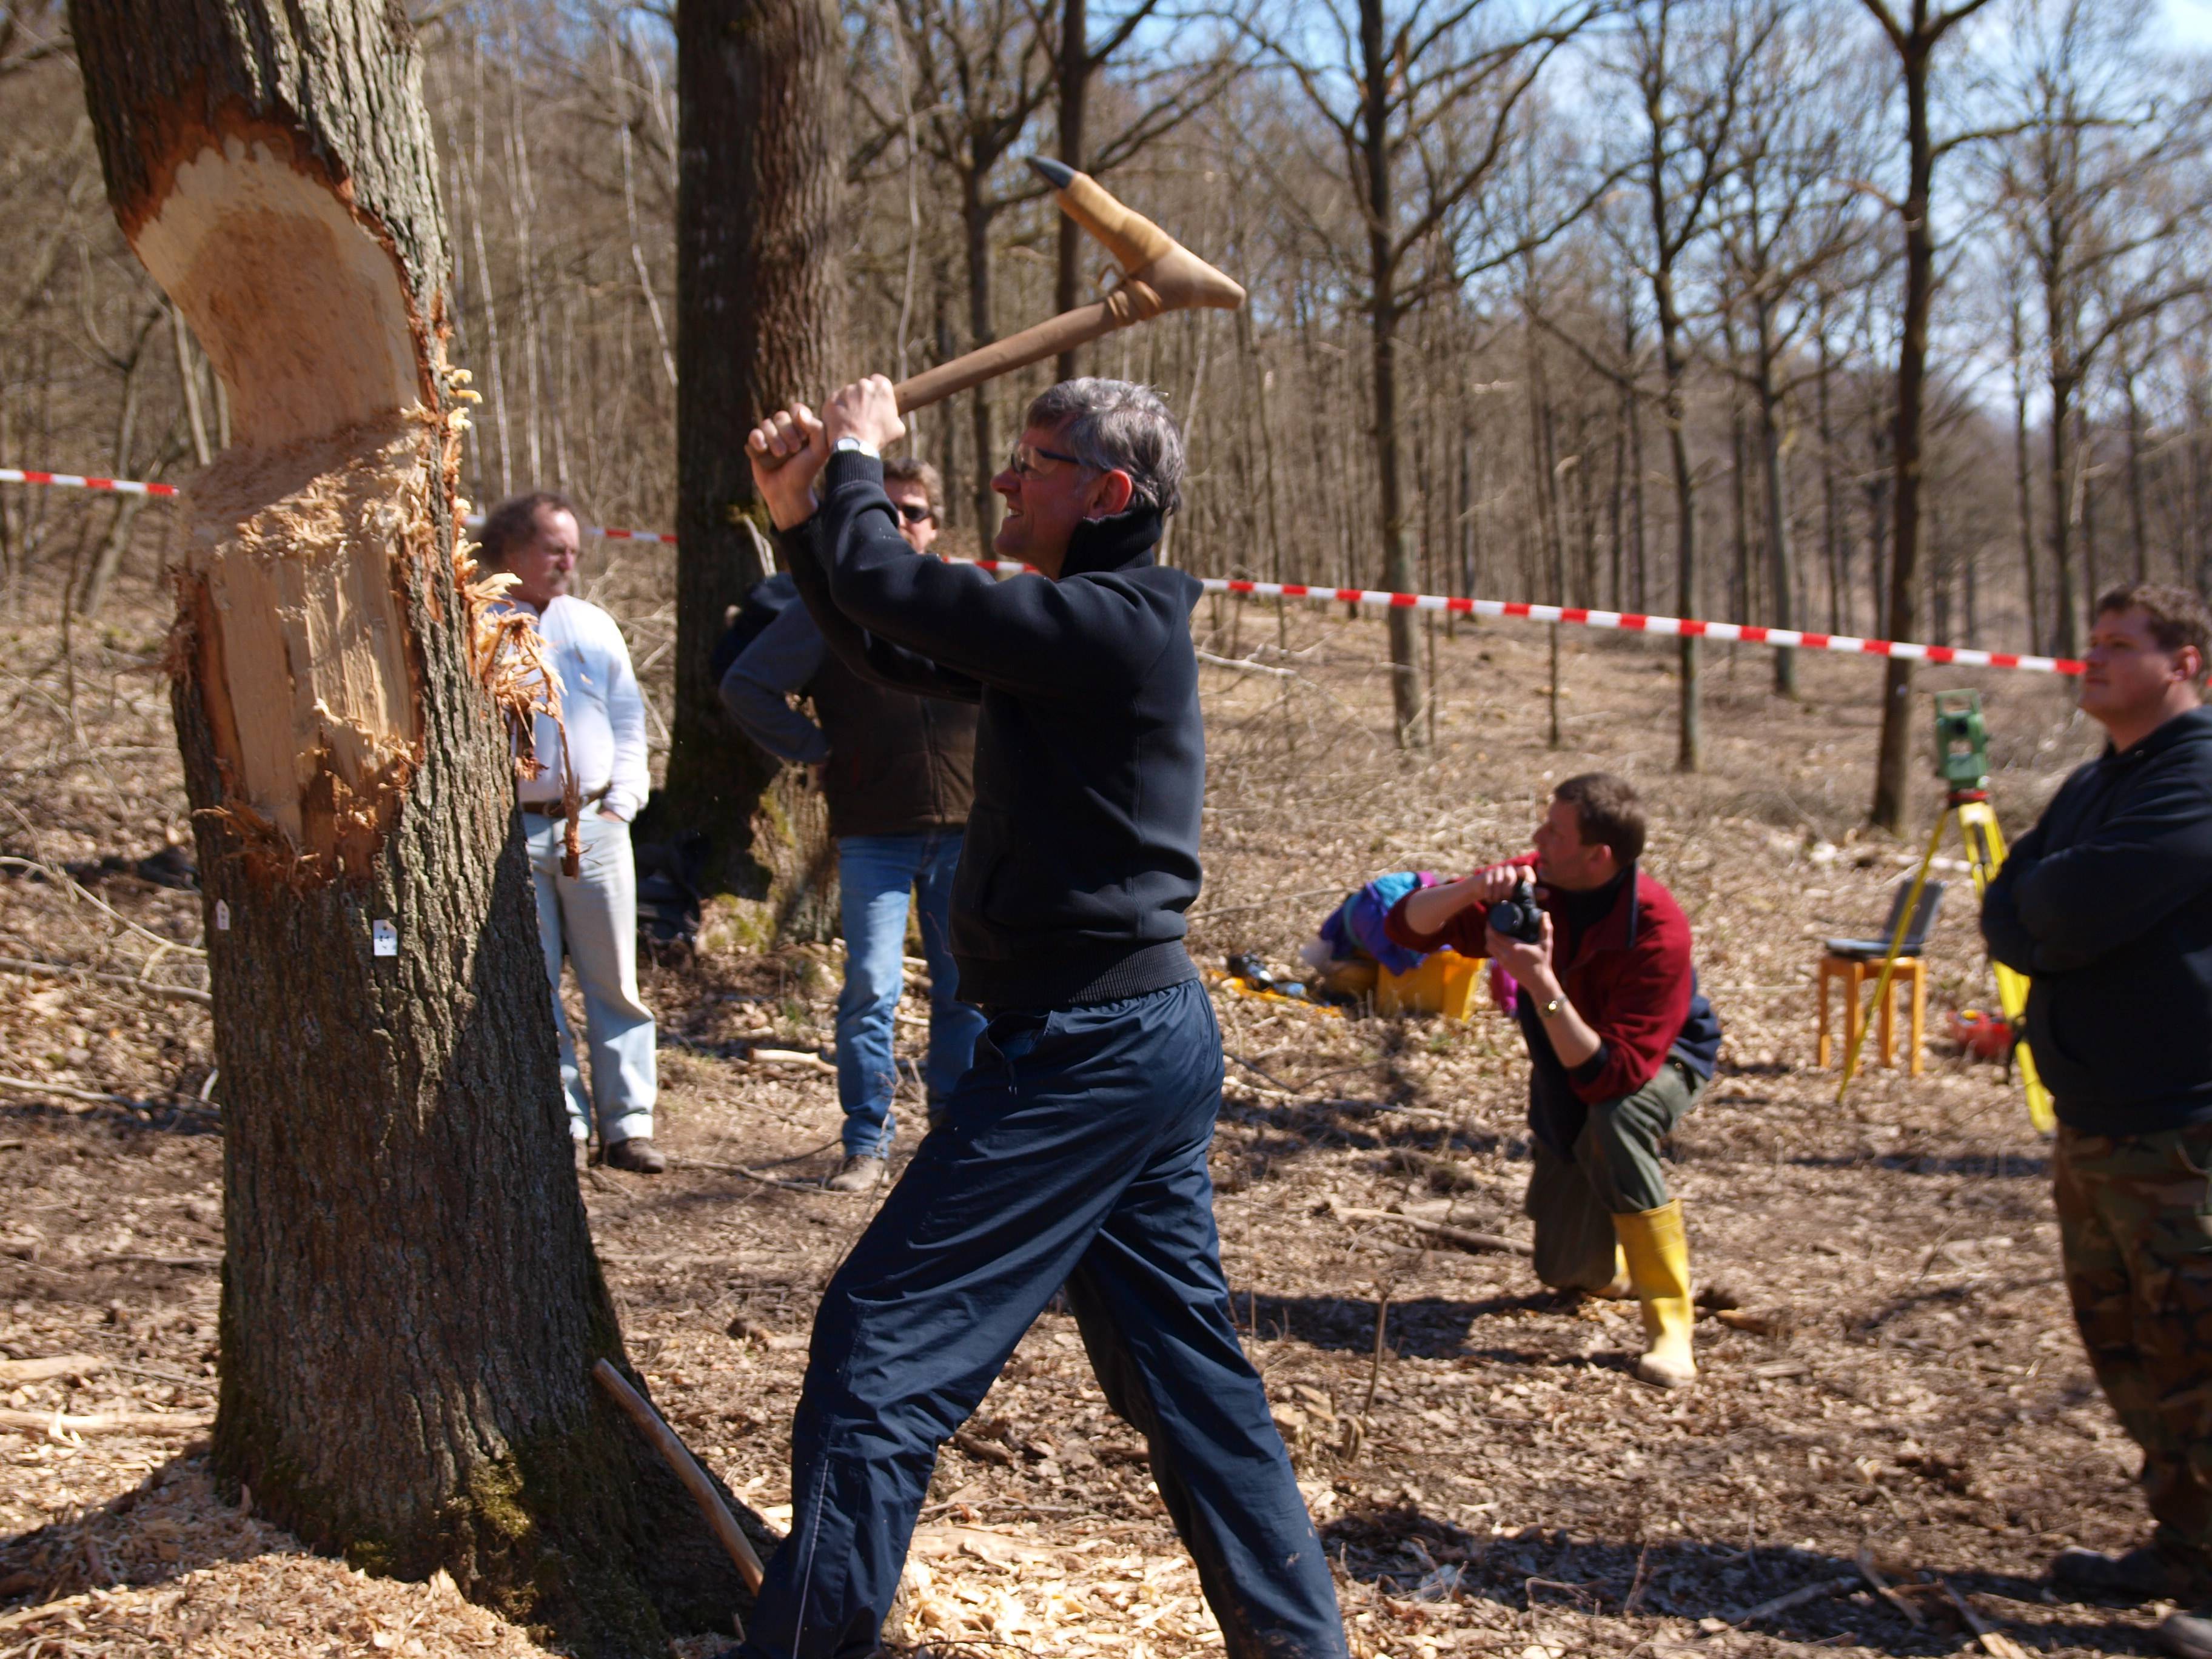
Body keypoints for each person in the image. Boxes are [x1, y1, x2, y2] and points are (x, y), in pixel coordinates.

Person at [734, 376, 1347, 1659]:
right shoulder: (1077, 627)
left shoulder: (1116, 623)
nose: (1006, 484)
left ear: (1108, 495)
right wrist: (805, 522)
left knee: (878, 1348)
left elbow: (900, 592)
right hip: (1127, 1042)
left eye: (1034, 463)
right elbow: (892, 643)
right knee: (1187, 1386)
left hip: (1091, 1049)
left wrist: (855, 455)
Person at [1982, 583, 2212, 1658]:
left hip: (2185, 1127)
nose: (2094, 660)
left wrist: (2047, 898)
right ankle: (2184, 1544)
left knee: (2200, 1350)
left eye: (2120, 646)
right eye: (2089, 642)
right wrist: (2046, 897)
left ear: (2186, 664)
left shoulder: (2199, 773)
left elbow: (2058, 908)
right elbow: (2009, 912)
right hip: (2094, 1119)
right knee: (2127, 1347)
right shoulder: (2090, 782)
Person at [1385, 774, 1721, 1389]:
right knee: (1568, 1272)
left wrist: (1538, 981)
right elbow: (1406, 928)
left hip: (1659, 1059)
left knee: (1615, 1124)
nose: (1537, 838)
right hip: (1569, 1063)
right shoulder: (1540, 876)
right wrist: (1468, 891)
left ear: (1599, 857)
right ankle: (1613, 1261)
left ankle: (1671, 1320)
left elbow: (1613, 1076)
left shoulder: (1657, 929)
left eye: (1554, 832)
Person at [718, 457, 985, 1193]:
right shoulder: (829, 604)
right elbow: (747, 686)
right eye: (890, 508)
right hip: (875, 829)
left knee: (967, 990)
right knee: (871, 988)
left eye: (917, 512)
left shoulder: (966, 598)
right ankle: (866, 1144)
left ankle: (954, 1138)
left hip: (970, 830)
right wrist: (817, 749)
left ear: (937, 526)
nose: (903, 522)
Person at [478, 492, 663, 1175]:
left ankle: (629, 1123)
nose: (568, 562)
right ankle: (567, 1120)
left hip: (597, 826)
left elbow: (626, 718)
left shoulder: (592, 624)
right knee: (536, 983)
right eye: (555, 548)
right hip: (515, 833)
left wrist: (623, 802)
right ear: (514, 549)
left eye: (575, 551)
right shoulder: (481, 622)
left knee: (615, 979)